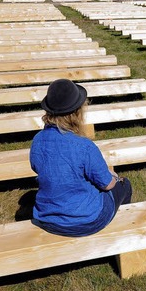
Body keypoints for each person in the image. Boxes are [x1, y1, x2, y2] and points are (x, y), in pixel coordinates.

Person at [29, 79, 133, 237]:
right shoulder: (84, 146)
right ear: (77, 113)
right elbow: (107, 185)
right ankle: (124, 229)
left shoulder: (37, 140)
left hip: (47, 220)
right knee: (125, 186)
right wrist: (115, 178)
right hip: (88, 221)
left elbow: (36, 167)